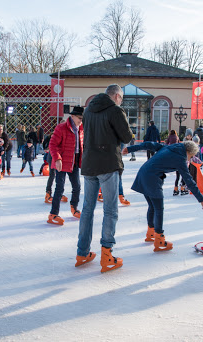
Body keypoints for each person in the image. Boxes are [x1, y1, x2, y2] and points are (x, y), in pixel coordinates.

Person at [76, 84, 133, 273]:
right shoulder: (115, 110)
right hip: (108, 164)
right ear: (116, 96)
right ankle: (107, 253)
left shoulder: (89, 110)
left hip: (89, 163)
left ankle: (82, 252)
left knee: (87, 209)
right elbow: (126, 136)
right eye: (121, 98)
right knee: (110, 210)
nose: (121, 101)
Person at [123, 140, 203, 251]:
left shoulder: (169, 147)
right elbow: (189, 180)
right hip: (152, 178)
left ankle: (151, 233)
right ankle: (159, 239)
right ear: (188, 151)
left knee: (153, 206)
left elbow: (150, 144)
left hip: (144, 173)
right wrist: (201, 200)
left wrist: (130, 149)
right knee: (159, 209)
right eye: (191, 156)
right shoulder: (181, 158)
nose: (190, 159)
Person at [47, 106, 84, 225]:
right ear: (72, 116)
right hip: (61, 162)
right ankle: (53, 214)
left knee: (77, 187)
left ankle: (74, 207)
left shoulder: (82, 128)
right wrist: (57, 159)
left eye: (82, 118)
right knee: (59, 188)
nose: (80, 120)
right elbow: (52, 145)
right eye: (79, 118)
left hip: (74, 162)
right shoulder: (61, 127)